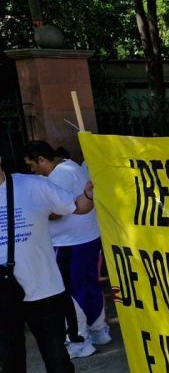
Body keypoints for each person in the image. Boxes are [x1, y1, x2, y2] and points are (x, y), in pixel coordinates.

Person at [0, 160, 105, 373]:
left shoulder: (32, 186)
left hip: (44, 290)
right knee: (9, 364)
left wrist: (88, 193)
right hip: (3, 296)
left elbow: (77, 207)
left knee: (57, 357)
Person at [23, 142, 112, 357]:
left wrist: (33, 214)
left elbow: (57, 211)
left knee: (71, 293)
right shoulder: (71, 167)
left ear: (42, 160)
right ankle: (99, 330)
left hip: (70, 243)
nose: (32, 171)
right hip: (86, 239)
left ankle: (79, 340)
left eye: (33, 165)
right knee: (89, 286)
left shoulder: (59, 176)